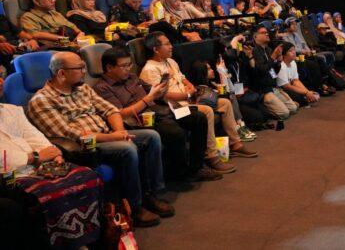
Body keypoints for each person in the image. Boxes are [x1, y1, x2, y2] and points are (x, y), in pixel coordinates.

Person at [27, 52, 173, 227]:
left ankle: (151, 194)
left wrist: (120, 132)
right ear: (61, 73)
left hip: (108, 134)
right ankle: (134, 206)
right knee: (127, 149)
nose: (84, 72)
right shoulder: (41, 101)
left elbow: (110, 110)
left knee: (152, 136)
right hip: (85, 148)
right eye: (80, 68)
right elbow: (72, 134)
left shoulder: (83, 88)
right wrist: (114, 137)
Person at [0, 77, 102, 248]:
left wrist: (53, 153)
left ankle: (86, 237)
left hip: (39, 165)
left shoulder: (12, 110)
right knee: (49, 191)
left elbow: (33, 135)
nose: (1, 81)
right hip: (9, 175)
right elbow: (4, 158)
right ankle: (64, 243)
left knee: (87, 175)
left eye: (1, 76)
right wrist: (36, 157)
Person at [95, 47, 223, 182]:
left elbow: (154, 92)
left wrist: (163, 86)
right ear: (109, 68)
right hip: (140, 120)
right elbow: (120, 114)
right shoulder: (102, 88)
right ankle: (181, 173)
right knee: (175, 131)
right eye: (124, 66)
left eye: (130, 64)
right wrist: (147, 99)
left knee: (198, 117)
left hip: (160, 110)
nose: (128, 69)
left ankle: (197, 167)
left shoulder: (132, 77)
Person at [139, 32, 257, 162]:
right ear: (156, 49)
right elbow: (161, 95)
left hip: (189, 100)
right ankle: (211, 156)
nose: (171, 46)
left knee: (225, 103)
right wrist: (188, 94)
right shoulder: (149, 69)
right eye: (167, 44)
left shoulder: (170, 61)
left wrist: (191, 88)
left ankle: (236, 144)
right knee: (207, 111)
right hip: (175, 108)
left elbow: (183, 79)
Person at [189, 59, 255, 141]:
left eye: (211, 68)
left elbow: (232, 89)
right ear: (202, 72)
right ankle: (238, 126)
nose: (212, 70)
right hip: (208, 107)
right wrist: (221, 73)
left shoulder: (212, 83)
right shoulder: (198, 89)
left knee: (231, 96)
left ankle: (240, 125)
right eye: (208, 69)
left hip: (232, 98)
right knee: (229, 97)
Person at [252, 25, 298, 120]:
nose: (267, 34)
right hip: (262, 90)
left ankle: (277, 104)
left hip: (273, 87)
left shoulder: (268, 50)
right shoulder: (253, 51)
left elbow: (273, 72)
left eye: (267, 32)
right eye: (263, 32)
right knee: (284, 114)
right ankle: (264, 108)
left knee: (293, 109)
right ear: (255, 36)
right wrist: (273, 57)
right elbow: (262, 70)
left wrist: (279, 61)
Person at [20, 0, 86, 46]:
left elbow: (72, 26)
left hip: (69, 42)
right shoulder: (28, 17)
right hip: (53, 46)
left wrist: (80, 33)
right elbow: (35, 34)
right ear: (36, 1)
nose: (54, 0)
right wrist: (66, 41)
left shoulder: (54, 13)